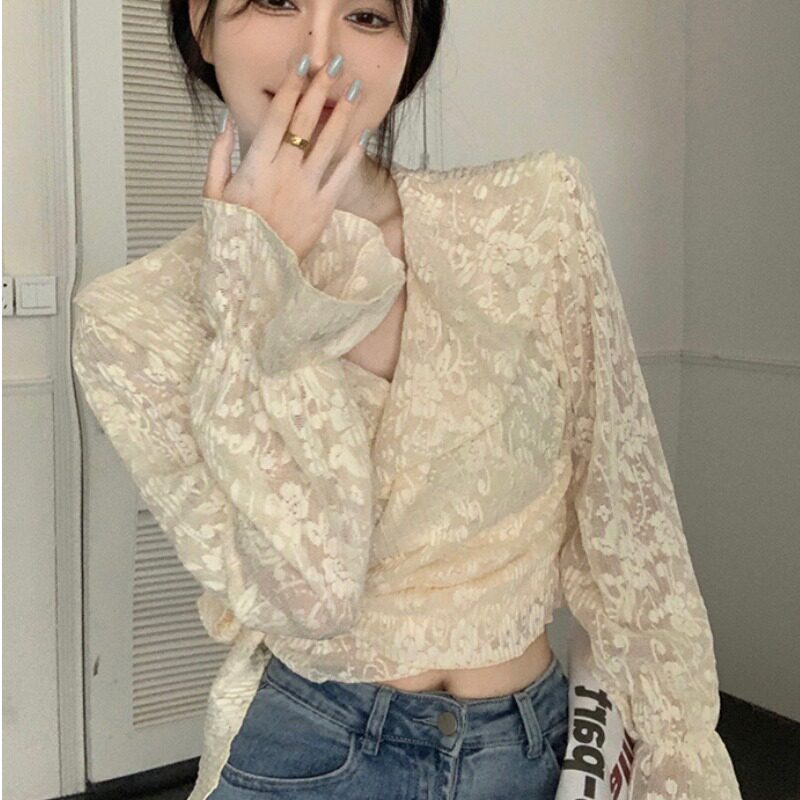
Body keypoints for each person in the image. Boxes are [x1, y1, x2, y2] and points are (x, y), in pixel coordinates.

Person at [70, 1, 742, 798]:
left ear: (409, 41)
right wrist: (263, 287)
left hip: (533, 751)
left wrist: (677, 752)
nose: (319, 53)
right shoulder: (132, 323)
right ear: (201, 22)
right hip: (307, 754)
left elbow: (629, 529)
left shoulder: (535, 218)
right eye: (277, 0)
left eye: (365, 15)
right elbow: (314, 592)